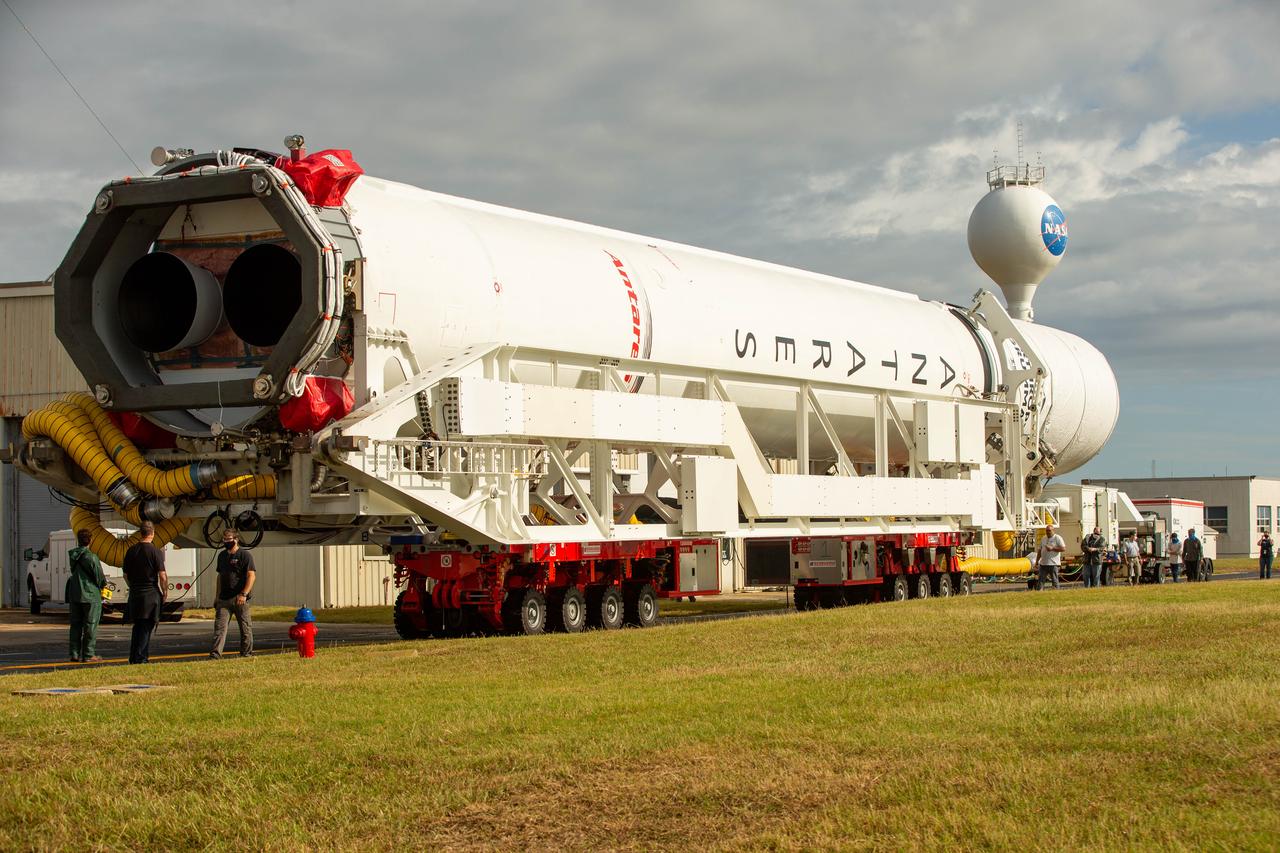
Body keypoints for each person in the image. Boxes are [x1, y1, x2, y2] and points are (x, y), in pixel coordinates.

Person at [122, 521, 167, 664]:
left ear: (140, 533)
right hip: (150, 593)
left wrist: (133, 586)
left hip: (135, 593)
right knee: (147, 627)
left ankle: (133, 657)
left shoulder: (131, 551)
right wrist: (165, 592)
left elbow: (125, 575)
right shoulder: (155, 551)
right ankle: (141, 657)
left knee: (137, 626)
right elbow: (162, 575)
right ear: (152, 533)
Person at [210, 529, 257, 659]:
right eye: (224, 539)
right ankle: (215, 655)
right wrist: (217, 596)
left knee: (245, 627)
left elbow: (251, 576)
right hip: (224, 599)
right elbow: (220, 576)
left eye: (229, 539)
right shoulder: (222, 556)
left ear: (236, 539)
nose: (226, 542)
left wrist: (244, 594)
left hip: (240, 598)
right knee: (219, 628)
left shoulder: (244, 555)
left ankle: (246, 653)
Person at [66, 529, 106, 662]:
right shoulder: (91, 556)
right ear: (91, 540)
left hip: (75, 593)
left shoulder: (73, 555)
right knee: (90, 624)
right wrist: (103, 587)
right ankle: (88, 654)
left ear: (78, 539)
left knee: (75, 624)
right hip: (90, 594)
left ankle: (74, 653)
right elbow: (99, 576)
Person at [1035, 524, 1066, 590]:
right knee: (1040, 580)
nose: (1047, 532)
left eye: (1049, 530)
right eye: (1046, 530)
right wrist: (1037, 561)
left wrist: (1052, 548)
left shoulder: (1057, 538)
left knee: (1054, 580)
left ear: (1053, 530)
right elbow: (1040, 550)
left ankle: (1056, 592)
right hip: (1043, 563)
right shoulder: (1043, 538)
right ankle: (1039, 592)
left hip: (1053, 564)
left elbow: (1063, 549)